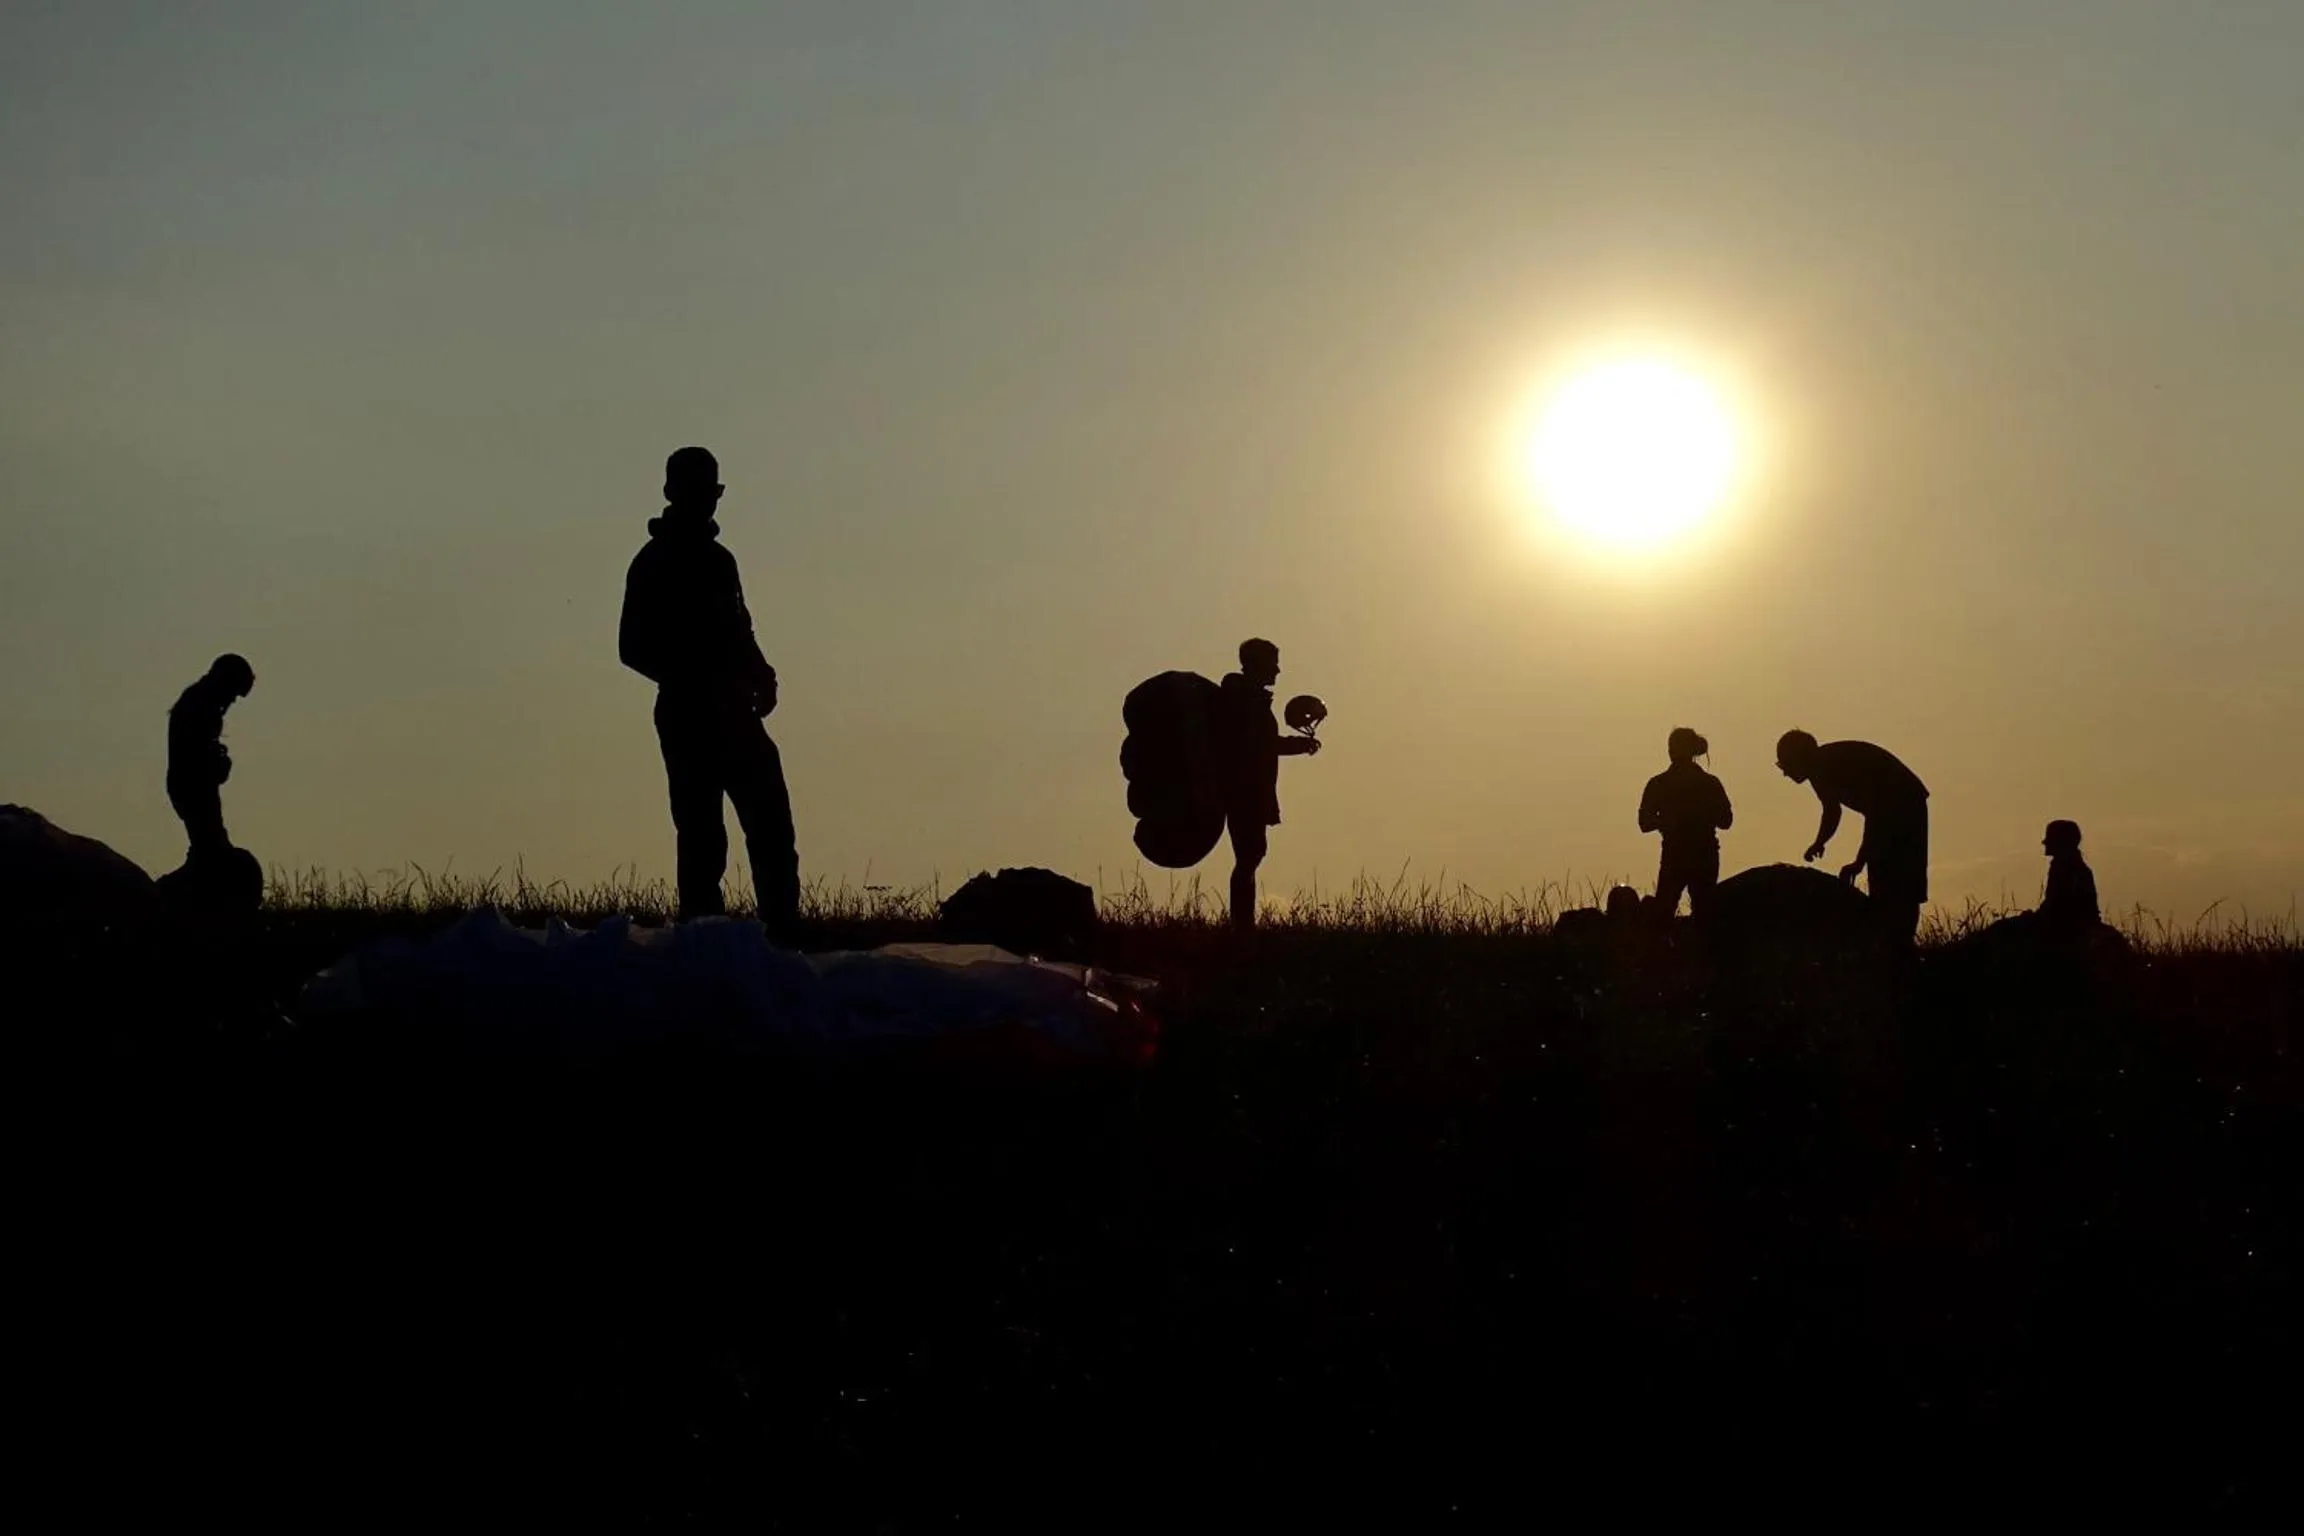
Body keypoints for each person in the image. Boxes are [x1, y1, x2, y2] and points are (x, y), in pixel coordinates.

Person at [619, 446, 800, 934]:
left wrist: (760, 672)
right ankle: (704, 940)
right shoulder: (653, 564)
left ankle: (783, 936)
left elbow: (741, 629)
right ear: (672, 494)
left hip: (736, 714)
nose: (708, 501)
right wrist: (693, 680)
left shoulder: (721, 562)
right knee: (702, 836)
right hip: (688, 715)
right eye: (699, 491)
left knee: (771, 825)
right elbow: (631, 647)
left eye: (713, 492)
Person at [1775, 729, 1930, 941]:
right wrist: (1820, 842)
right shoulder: (1819, 769)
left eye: (1786, 764)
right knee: (1886, 877)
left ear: (1800, 757)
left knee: (1898, 877)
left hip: (1905, 802)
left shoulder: (1827, 766)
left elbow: (1877, 813)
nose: (1785, 773)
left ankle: (1901, 943)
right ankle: (1896, 940)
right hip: (1900, 802)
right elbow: (1832, 810)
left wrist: (1859, 862)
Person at [1214, 638, 1321, 932]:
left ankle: (1243, 925)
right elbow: (1257, 746)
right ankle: (1242, 927)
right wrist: (1297, 746)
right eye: (1273, 663)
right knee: (1250, 855)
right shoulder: (1245, 702)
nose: (1278, 670)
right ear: (1258, 665)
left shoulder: (1248, 700)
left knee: (1251, 854)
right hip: (1244, 790)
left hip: (1248, 789)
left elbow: (1260, 745)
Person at [1637, 727, 1733, 917]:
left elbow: (1645, 822)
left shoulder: (1659, 783)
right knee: (1700, 913)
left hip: (1683, 855)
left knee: (1673, 913)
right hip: (1694, 855)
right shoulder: (1709, 783)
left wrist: (1673, 820)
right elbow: (1726, 820)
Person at [167, 654, 255, 860]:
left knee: (209, 849)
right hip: (193, 787)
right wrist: (219, 762)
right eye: (234, 692)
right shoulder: (199, 705)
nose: (233, 700)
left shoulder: (199, 701)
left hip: (194, 787)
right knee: (212, 851)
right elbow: (195, 756)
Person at [2037, 819, 2100, 934]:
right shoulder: (2067, 867)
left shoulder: (2069, 870)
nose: (2045, 844)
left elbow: (2057, 907)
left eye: (2051, 840)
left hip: (2067, 928)